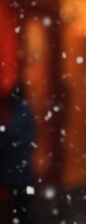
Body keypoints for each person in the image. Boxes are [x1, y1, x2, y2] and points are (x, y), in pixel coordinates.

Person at [0, 82, 35, 224]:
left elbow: (11, 137)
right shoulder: (24, 113)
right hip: (21, 172)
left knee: (20, 207)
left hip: (17, 172)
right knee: (22, 207)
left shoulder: (19, 114)